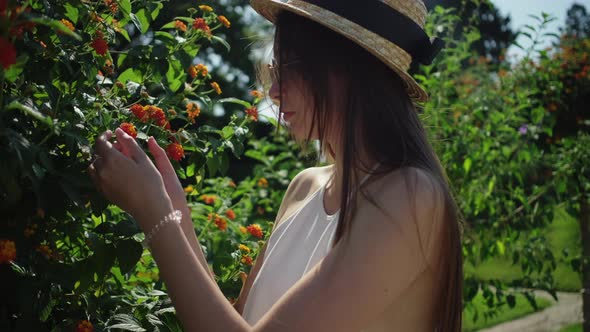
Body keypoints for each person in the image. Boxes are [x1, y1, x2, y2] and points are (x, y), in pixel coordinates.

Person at [88, 0, 463, 331]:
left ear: (348, 69)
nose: (274, 91)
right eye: (275, 68)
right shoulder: (306, 187)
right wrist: (177, 218)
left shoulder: (408, 196)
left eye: (292, 67)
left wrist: (155, 217)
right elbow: (243, 318)